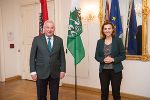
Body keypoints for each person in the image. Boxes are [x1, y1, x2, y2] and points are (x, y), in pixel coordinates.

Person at [30, 20, 66, 100]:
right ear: (44, 29)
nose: (50, 30)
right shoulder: (37, 39)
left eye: (52, 28)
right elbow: (32, 56)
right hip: (40, 72)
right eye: (47, 27)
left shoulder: (59, 40)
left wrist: (63, 70)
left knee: (54, 95)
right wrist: (33, 71)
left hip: (55, 72)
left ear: (54, 29)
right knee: (41, 96)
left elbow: (62, 57)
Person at [95, 21, 126, 100]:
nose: (107, 30)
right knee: (104, 93)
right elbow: (96, 56)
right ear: (103, 30)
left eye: (109, 28)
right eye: (105, 29)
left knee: (116, 93)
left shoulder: (118, 41)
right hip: (103, 72)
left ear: (112, 30)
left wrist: (113, 59)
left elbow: (123, 56)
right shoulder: (99, 42)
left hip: (116, 71)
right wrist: (103, 59)